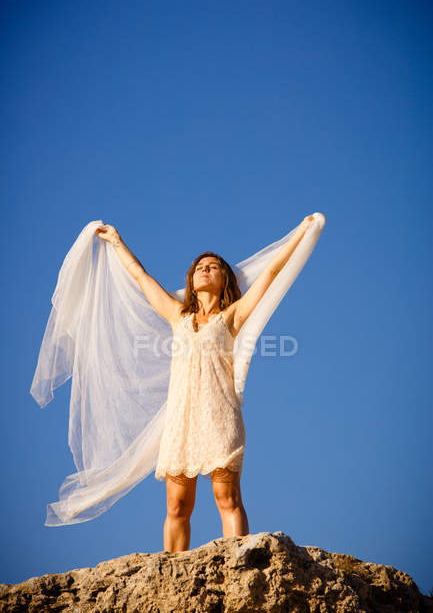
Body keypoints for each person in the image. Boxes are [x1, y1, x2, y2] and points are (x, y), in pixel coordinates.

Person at [94, 215, 315, 552]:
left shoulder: (233, 316)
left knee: (227, 496)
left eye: (212, 266)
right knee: (177, 507)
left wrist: (301, 231)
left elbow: (270, 272)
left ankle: (238, 561)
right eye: (199, 267)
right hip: (181, 420)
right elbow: (141, 277)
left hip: (219, 415)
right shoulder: (176, 315)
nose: (204, 269)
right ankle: (171, 572)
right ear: (191, 279)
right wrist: (116, 240)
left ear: (224, 278)